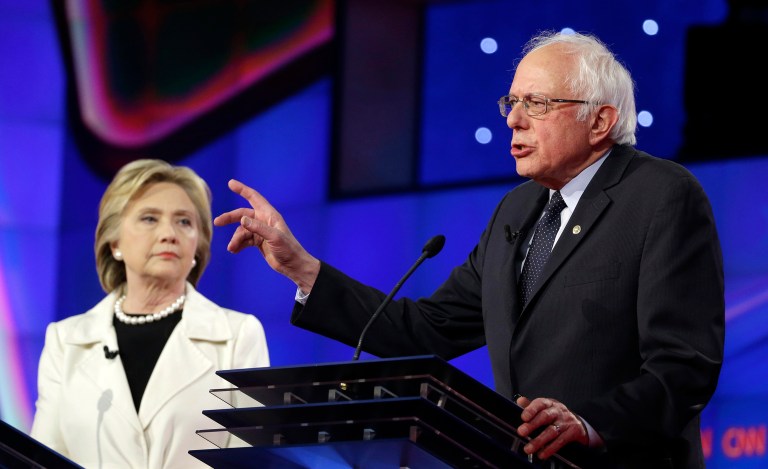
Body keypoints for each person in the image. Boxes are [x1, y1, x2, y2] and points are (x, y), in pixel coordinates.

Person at [214, 30, 724, 468]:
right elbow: (427, 330)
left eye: (538, 103)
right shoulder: (518, 210)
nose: (514, 120)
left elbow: (683, 367)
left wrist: (590, 423)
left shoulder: (660, 196)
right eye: (512, 102)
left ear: (600, 121)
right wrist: (302, 269)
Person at [31, 159, 270, 468]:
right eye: (149, 219)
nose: (169, 233)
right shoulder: (65, 341)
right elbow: (40, 459)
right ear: (114, 241)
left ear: (198, 246)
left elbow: (250, 461)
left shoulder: (238, 336)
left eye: (184, 221)